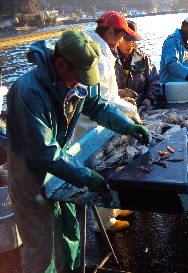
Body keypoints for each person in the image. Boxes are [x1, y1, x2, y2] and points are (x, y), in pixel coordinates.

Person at [6, 30, 149, 273]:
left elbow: (95, 104)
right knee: (42, 252)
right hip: (31, 179)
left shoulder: (75, 79)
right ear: (60, 63)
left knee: (69, 235)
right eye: (78, 75)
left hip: (61, 171)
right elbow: (43, 151)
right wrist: (86, 176)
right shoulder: (27, 91)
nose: (81, 81)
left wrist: (126, 124)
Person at [73, 11, 142, 232]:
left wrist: (120, 98)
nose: (124, 41)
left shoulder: (101, 48)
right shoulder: (98, 57)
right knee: (99, 169)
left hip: (98, 121)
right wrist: (131, 111)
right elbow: (102, 99)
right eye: (122, 35)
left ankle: (112, 209)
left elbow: (106, 93)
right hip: (89, 126)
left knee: (109, 167)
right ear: (111, 31)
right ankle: (103, 223)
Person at [114, 20, 160, 110]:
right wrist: (119, 94)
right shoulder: (109, 59)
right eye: (127, 40)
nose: (131, 44)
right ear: (119, 39)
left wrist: (149, 99)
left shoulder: (143, 58)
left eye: (133, 40)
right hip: (116, 108)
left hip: (140, 107)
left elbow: (154, 80)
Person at [159, 14, 188, 86]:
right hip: (170, 91)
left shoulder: (186, 44)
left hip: (184, 89)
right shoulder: (171, 42)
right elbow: (171, 64)